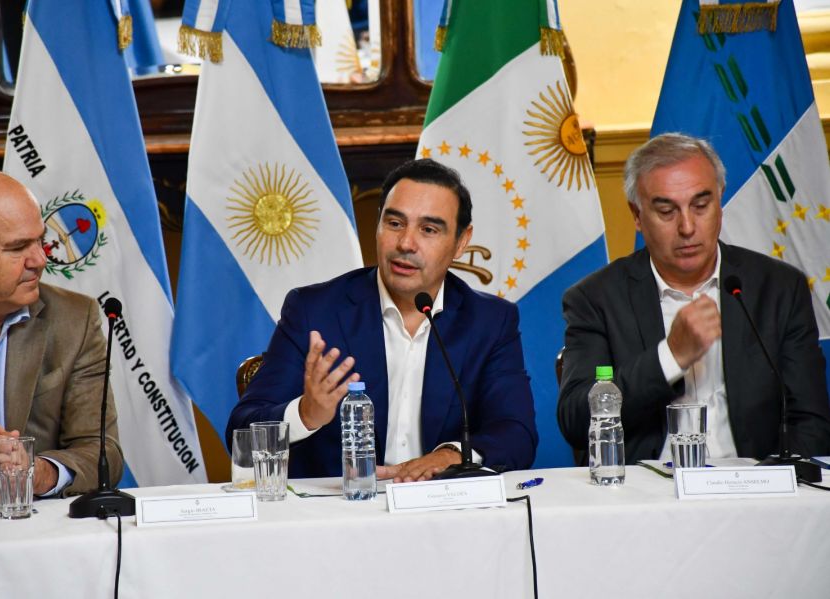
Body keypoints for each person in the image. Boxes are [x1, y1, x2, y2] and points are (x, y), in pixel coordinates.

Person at [229, 159, 538, 481]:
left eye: (429, 230)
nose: (405, 243)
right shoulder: (314, 311)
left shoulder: (490, 321)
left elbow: (517, 433)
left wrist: (450, 455)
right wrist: (306, 413)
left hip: (442, 503)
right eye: (394, 223)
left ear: (461, 241)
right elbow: (242, 433)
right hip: (339, 505)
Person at [557, 133, 830, 464]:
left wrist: (774, 481)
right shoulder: (596, 298)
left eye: (701, 206)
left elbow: (811, 421)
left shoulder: (779, 289)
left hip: (756, 483)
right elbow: (576, 420)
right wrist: (670, 356)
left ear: (720, 201)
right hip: (648, 488)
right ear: (637, 215)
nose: (687, 227)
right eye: (666, 211)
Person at [0, 167, 122, 502]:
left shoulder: (75, 320)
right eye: (18, 247)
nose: (41, 259)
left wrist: (39, 472)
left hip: (37, 525)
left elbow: (102, 452)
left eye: (40, 240)